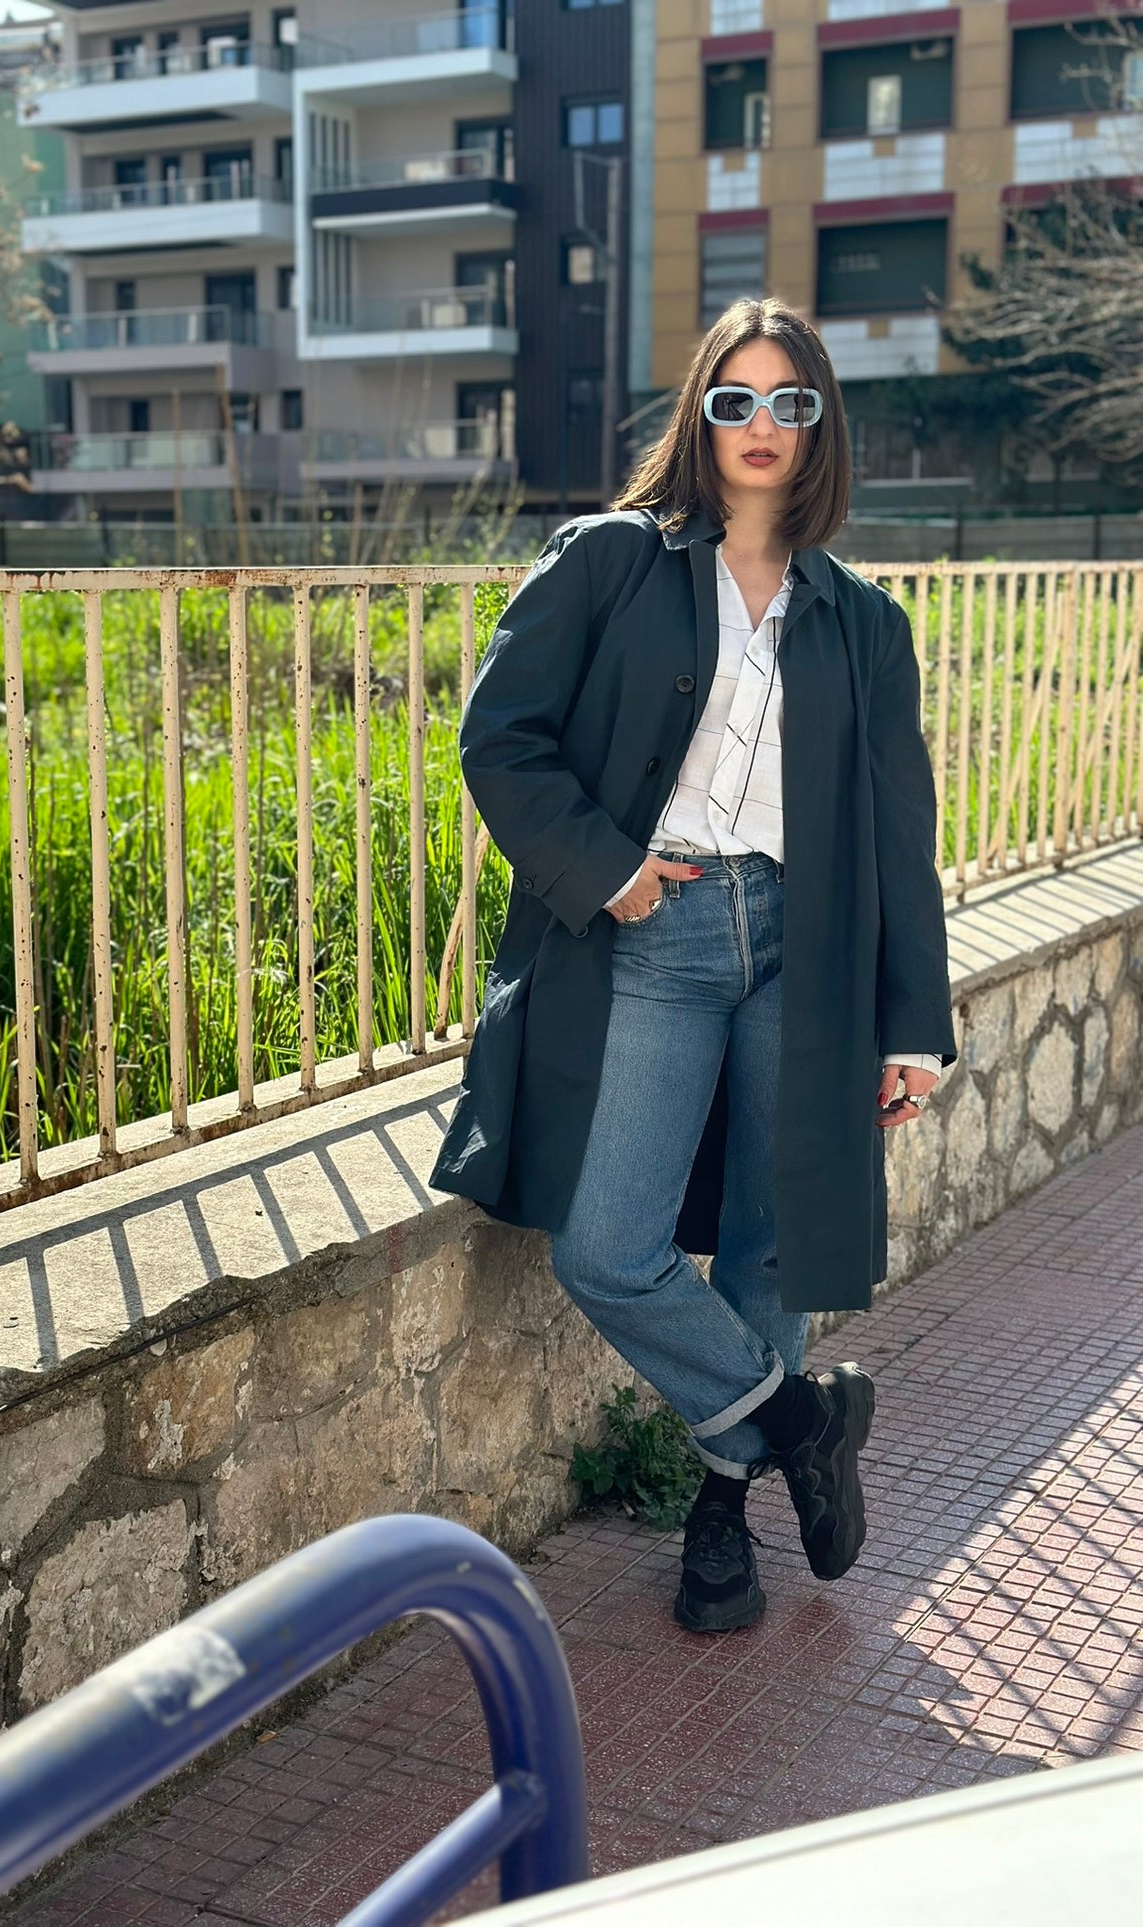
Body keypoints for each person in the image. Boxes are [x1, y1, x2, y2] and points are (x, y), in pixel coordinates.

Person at [429, 297, 957, 1633]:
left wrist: (913, 1025)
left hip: (811, 949)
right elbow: (500, 738)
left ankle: (721, 1521)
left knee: (767, 1255)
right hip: (653, 933)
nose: (762, 425)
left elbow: (899, 827)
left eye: (791, 401)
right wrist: (607, 873)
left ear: (822, 420)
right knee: (609, 1248)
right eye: (736, 400)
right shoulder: (610, 561)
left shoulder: (863, 622)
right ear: (700, 417)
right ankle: (798, 1425)